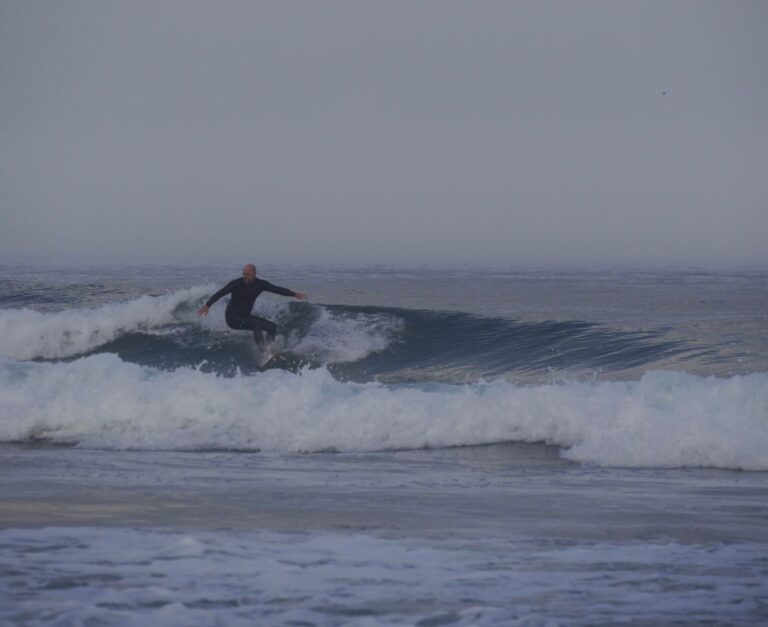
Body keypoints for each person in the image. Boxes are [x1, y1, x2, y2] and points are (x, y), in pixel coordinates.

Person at [197, 264, 307, 348]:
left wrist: (294, 294)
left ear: (254, 274)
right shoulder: (236, 284)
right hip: (232, 318)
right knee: (257, 325)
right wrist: (207, 306)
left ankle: (268, 349)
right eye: (244, 274)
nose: (245, 276)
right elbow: (220, 293)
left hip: (245, 316)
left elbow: (277, 289)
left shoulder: (260, 284)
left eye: (248, 274)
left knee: (272, 327)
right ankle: (262, 350)